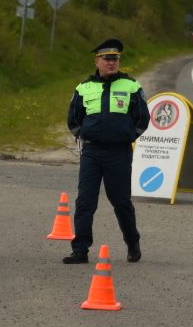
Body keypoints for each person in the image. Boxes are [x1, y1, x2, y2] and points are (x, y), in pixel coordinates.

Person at [64, 38, 151, 264]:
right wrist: (84, 134)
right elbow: (73, 119)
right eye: (107, 59)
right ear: (97, 61)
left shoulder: (132, 86)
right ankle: (80, 250)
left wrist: (128, 136)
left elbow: (143, 118)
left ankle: (132, 242)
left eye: (115, 59)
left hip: (119, 153)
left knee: (121, 202)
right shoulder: (84, 88)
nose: (112, 63)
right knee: (85, 202)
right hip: (92, 153)